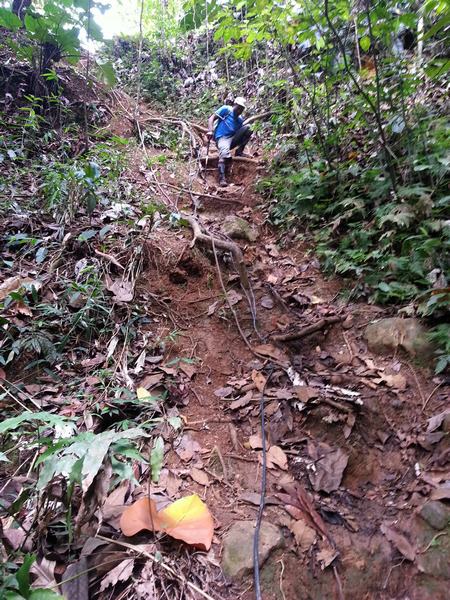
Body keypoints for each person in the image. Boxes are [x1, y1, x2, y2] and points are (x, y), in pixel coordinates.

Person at [207, 97, 252, 187]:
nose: (239, 110)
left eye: (242, 109)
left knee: (249, 127)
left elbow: (240, 133)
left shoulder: (240, 120)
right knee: (224, 152)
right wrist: (210, 130)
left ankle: (239, 152)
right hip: (222, 137)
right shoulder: (226, 109)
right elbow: (211, 118)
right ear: (234, 105)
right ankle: (222, 178)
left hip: (232, 139)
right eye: (238, 107)